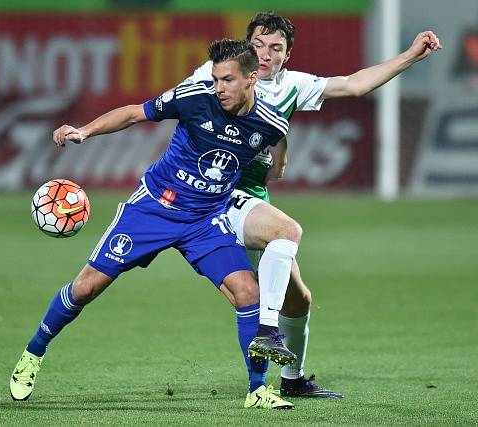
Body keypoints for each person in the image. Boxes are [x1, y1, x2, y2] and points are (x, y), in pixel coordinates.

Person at [10, 39, 299, 409]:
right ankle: (33, 353)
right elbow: (133, 113)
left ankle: (257, 390)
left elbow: (276, 160)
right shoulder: (195, 98)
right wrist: (85, 131)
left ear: (252, 78)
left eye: (227, 80)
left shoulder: (271, 124)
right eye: (215, 79)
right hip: (154, 209)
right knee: (85, 288)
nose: (219, 88)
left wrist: (271, 167)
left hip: (206, 219)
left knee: (248, 294)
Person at [184, 11, 442, 399]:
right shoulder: (216, 75)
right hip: (215, 194)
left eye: (276, 48)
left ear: (288, 55)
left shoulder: (293, 86)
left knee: (299, 297)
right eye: (258, 45)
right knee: (280, 243)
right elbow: (174, 107)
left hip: (254, 197)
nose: (266, 54)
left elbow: (354, 85)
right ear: (246, 47)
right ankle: (266, 340)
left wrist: (409, 56)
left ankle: (293, 379)